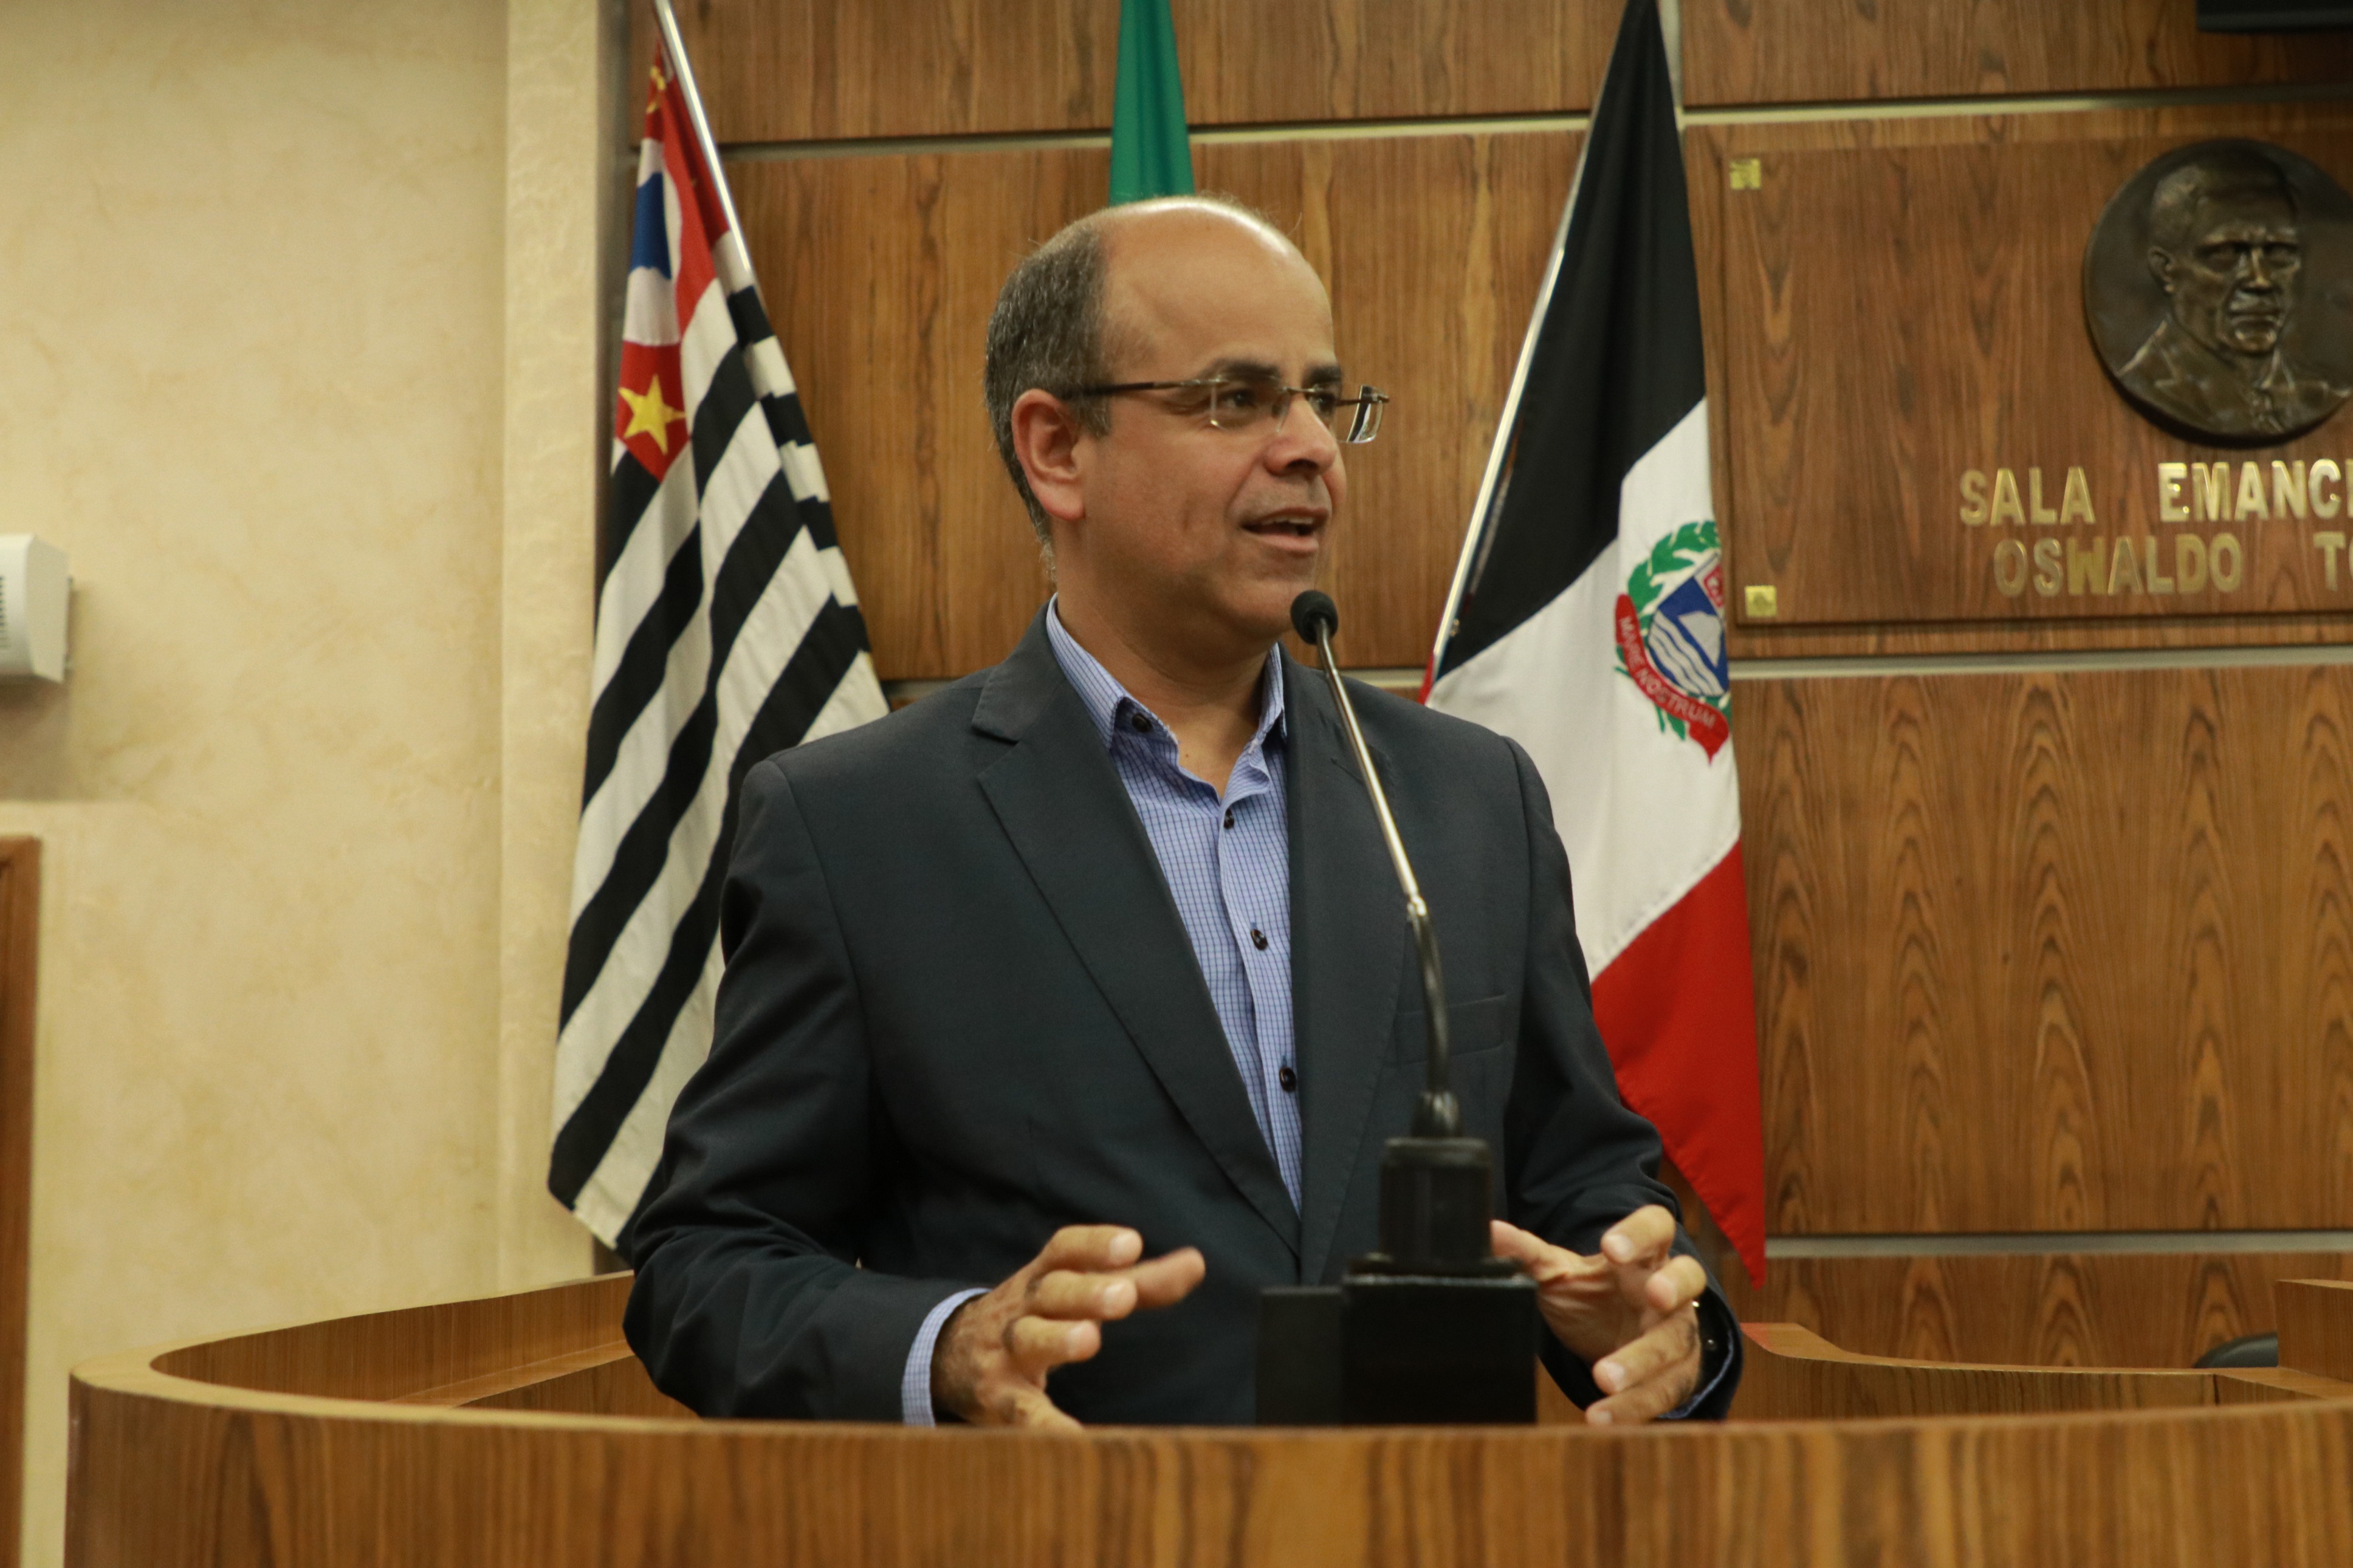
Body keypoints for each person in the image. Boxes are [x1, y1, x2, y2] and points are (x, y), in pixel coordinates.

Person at [622, 196, 1742, 1428]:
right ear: (1057, 449)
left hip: (1423, 1516)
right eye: (1236, 399)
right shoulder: (856, 829)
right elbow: (705, 1265)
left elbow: (1586, 1192)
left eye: (1324, 398)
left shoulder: (1470, 801)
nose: (1310, 447)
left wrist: (1652, 1326)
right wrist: (946, 1349)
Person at [2116, 148, 2347, 439]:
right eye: (2226, 253)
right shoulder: (2149, 386)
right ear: (2166, 270)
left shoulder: (2319, 396)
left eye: (2279, 252)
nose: (2260, 280)